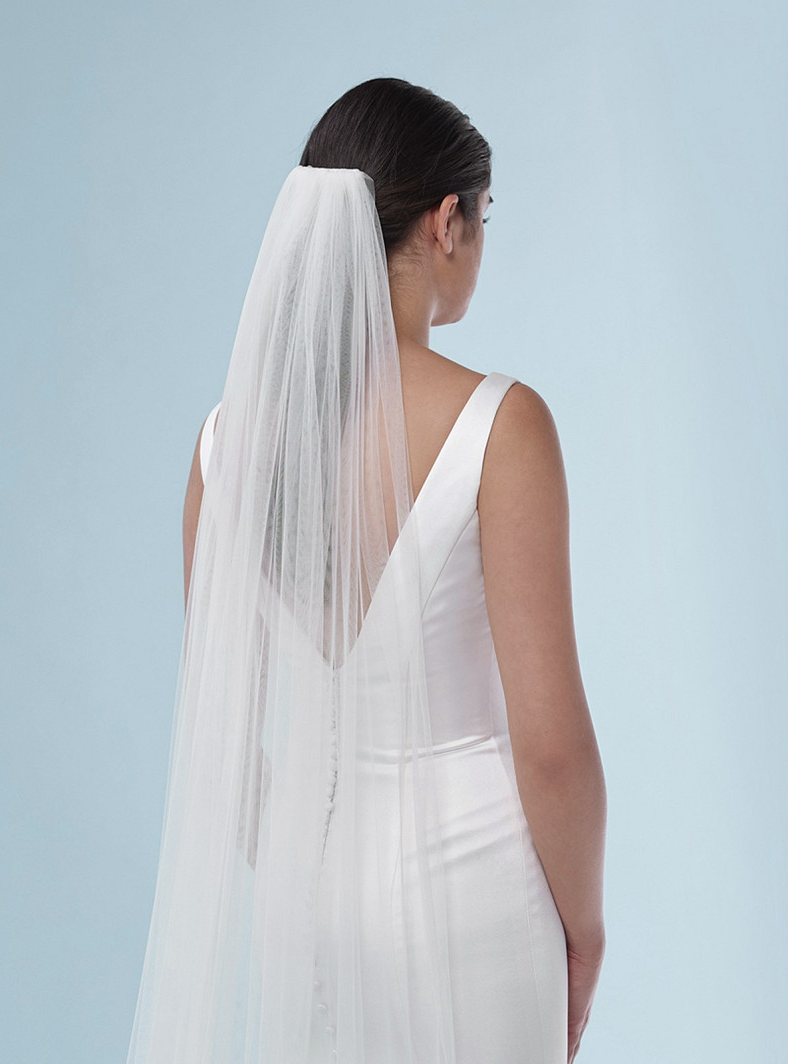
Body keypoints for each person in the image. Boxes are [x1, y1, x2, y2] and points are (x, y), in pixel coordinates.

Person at [129, 78, 606, 1064]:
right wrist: (586, 929)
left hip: (312, 893)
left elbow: (223, 739)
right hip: (478, 889)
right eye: (483, 218)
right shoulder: (501, 424)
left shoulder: (225, 445)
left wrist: (303, 862)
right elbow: (551, 747)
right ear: (445, 221)